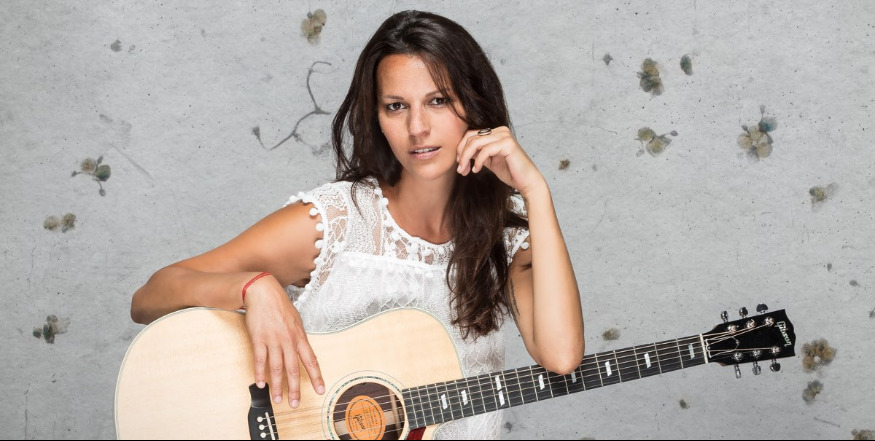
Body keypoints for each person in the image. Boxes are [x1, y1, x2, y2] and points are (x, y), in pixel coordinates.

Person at [131, 10, 584, 439]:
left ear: (475, 105)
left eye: (438, 101)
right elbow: (149, 296)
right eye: (396, 106)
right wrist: (254, 287)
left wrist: (536, 191)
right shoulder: (336, 223)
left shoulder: (505, 237)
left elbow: (561, 356)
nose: (418, 127)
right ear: (377, 118)